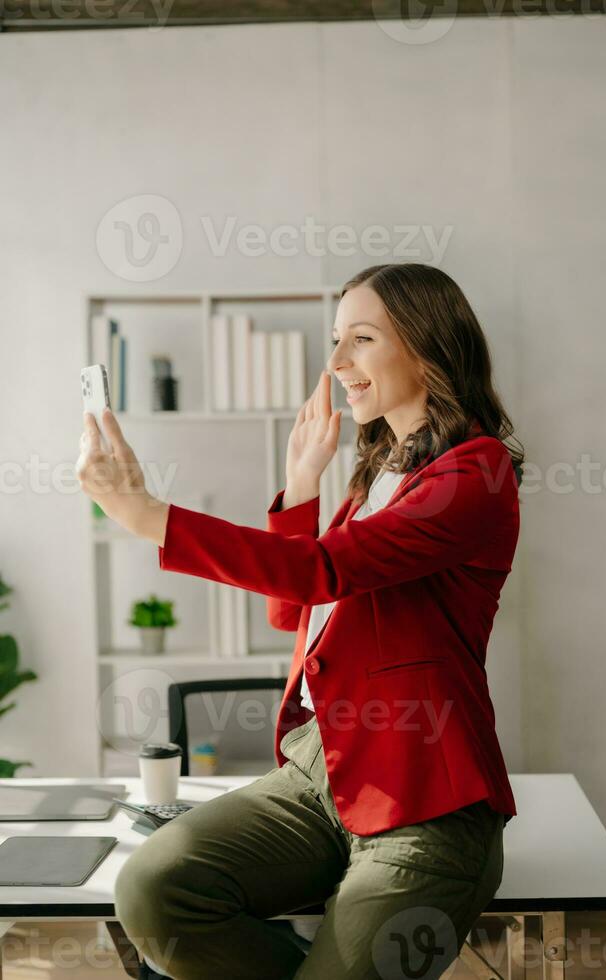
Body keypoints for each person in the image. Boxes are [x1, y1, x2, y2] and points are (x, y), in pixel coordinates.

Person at [77, 263, 524, 980]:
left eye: (362, 338)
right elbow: (295, 610)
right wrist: (303, 482)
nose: (337, 362)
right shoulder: (381, 476)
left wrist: (148, 517)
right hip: (322, 770)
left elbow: (318, 573)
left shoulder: (474, 476)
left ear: (428, 346)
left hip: (422, 799)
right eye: (335, 340)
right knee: (154, 890)